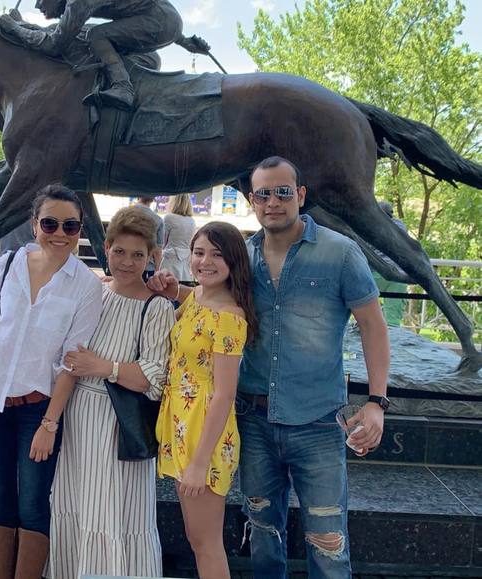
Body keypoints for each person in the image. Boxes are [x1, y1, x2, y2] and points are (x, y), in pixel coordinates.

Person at [149, 156, 390, 579]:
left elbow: (373, 324)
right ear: (251, 200)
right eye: (263, 194)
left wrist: (376, 402)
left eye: (282, 192)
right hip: (254, 420)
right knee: (262, 535)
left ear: (300, 195)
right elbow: (217, 304)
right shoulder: (243, 255)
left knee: (328, 542)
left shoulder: (339, 253)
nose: (273, 202)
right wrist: (178, 291)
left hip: (317, 422)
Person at [0, 184, 102, 579]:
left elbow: (72, 362)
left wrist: (49, 424)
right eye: (50, 223)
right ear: (35, 225)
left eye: (70, 226)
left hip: (38, 410)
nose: (60, 233)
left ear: (80, 230)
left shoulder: (85, 286)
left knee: (34, 504)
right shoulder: (9, 263)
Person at [50, 206, 175, 578]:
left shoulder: (156, 307)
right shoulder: (95, 292)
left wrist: (104, 367)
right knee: (75, 503)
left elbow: (155, 377)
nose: (127, 262)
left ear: (152, 257)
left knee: (114, 512)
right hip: (78, 417)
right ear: (106, 248)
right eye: (119, 251)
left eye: (138, 255)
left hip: (119, 424)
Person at [156, 221, 258, 579]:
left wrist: (200, 463)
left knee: (206, 542)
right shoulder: (198, 297)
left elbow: (225, 393)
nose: (205, 261)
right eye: (199, 253)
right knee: (195, 536)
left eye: (216, 255)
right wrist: (171, 287)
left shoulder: (230, 317)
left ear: (234, 261)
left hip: (205, 436)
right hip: (182, 425)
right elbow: (187, 300)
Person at [0, 0, 210, 111]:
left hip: (161, 22)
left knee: (96, 35)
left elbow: (55, 44)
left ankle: (123, 87)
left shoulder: (77, 3)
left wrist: (15, 29)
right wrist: (184, 41)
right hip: (166, 20)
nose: (38, 5)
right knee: (91, 34)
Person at [371, 200, 408, 326]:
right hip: (399, 275)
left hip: (376, 273)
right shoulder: (400, 226)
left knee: (364, 305)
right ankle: (392, 332)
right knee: (393, 318)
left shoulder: (371, 226)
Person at [160, 193, 196, 283]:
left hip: (170, 259)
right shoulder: (192, 221)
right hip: (185, 260)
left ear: (174, 201)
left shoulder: (169, 218)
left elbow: (162, 242)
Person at [136, 196, 164, 279]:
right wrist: (157, 270)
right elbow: (157, 250)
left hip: (124, 265)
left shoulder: (123, 214)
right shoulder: (158, 219)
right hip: (147, 267)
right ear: (153, 198)